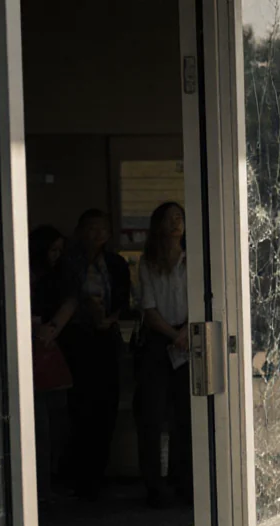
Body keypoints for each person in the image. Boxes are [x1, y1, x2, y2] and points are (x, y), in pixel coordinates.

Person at [59, 209, 131, 499]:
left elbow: (124, 298)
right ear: (79, 231)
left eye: (102, 228)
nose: (97, 234)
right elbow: (65, 297)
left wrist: (109, 319)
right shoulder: (69, 262)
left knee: (106, 406)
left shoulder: (115, 263)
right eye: (91, 228)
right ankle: (79, 476)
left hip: (106, 338)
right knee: (79, 408)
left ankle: (98, 474)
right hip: (76, 340)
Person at [134, 203, 193, 508]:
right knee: (153, 416)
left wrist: (186, 333)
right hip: (160, 341)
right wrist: (174, 335)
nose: (175, 224)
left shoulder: (192, 260)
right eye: (169, 219)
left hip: (189, 336)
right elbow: (148, 309)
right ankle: (154, 486)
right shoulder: (148, 263)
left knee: (186, 414)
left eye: (179, 218)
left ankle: (184, 482)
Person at [29, 225, 78, 506]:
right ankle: (41, 485)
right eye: (52, 250)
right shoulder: (26, 274)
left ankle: (50, 480)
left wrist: (53, 329)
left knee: (56, 422)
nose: (56, 256)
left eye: (60, 250)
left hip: (52, 345)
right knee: (40, 427)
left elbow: (70, 301)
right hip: (32, 347)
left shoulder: (61, 276)